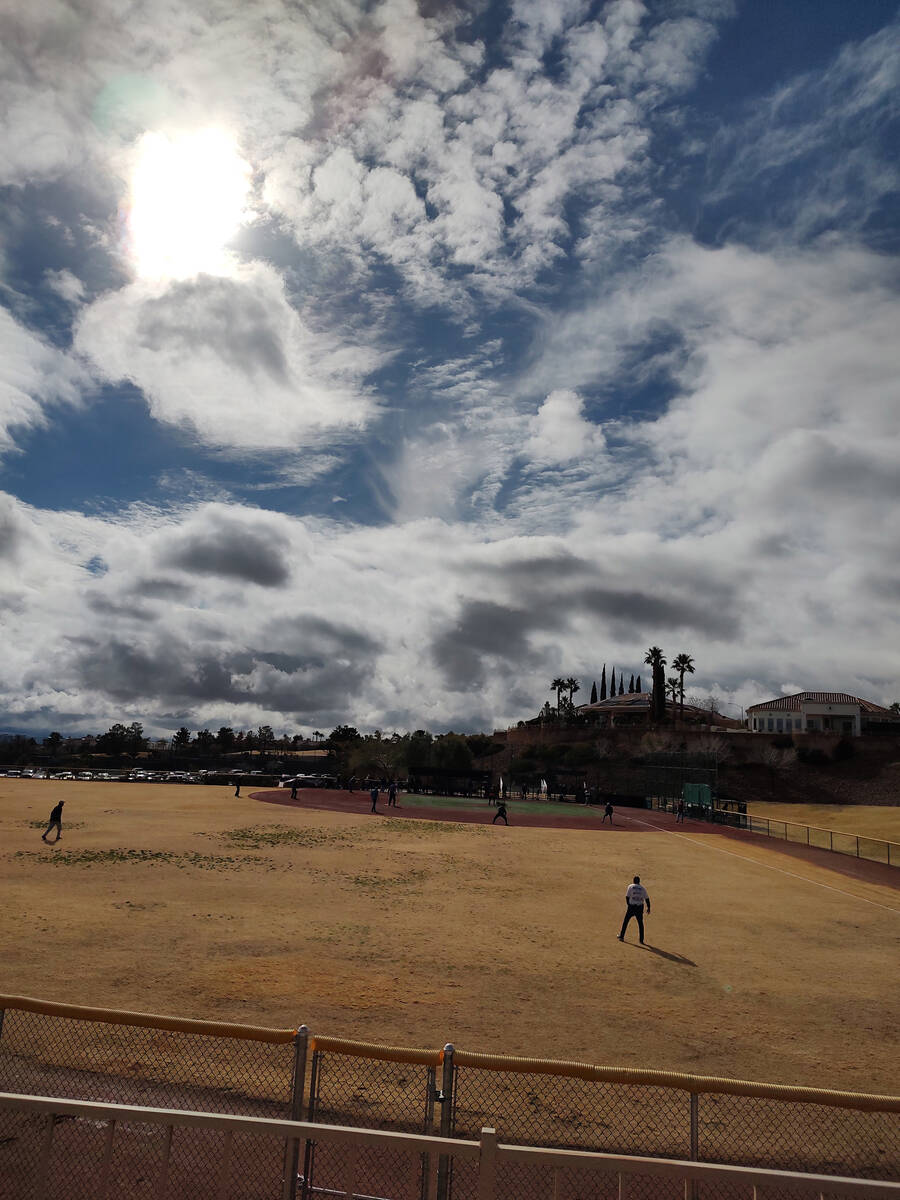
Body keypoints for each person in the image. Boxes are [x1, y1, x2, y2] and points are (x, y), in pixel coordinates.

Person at [618, 875, 651, 944]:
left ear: (633, 881)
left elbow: (627, 897)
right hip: (639, 908)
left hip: (631, 907)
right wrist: (648, 907)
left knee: (626, 921)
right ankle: (641, 940)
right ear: (639, 882)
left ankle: (622, 936)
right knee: (640, 924)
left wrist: (628, 904)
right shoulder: (643, 888)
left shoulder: (630, 886)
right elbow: (647, 899)